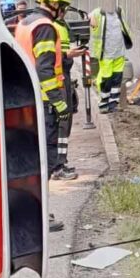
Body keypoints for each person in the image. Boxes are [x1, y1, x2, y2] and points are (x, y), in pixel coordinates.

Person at [14, 0, 78, 230]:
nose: (62, 10)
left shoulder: (25, 23)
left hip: (27, 99)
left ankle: (33, 212)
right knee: (46, 161)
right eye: (62, 5)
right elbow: (45, 69)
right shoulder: (45, 27)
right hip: (43, 103)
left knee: (32, 160)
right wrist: (60, 103)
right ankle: (38, 215)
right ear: (53, 3)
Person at [54, 18, 88, 179]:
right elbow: (50, 58)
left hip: (64, 76)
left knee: (65, 123)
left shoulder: (61, 25)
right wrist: (69, 54)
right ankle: (57, 166)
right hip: (57, 80)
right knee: (61, 123)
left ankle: (61, 162)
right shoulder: (50, 27)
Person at [88, 6, 132, 113]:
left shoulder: (119, 10)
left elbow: (124, 26)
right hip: (106, 53)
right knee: (106, 79)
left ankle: (113, 104)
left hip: (119, 52)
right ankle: (104, 103)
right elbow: (89, 18)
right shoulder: (98, 12)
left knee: (117, 79)